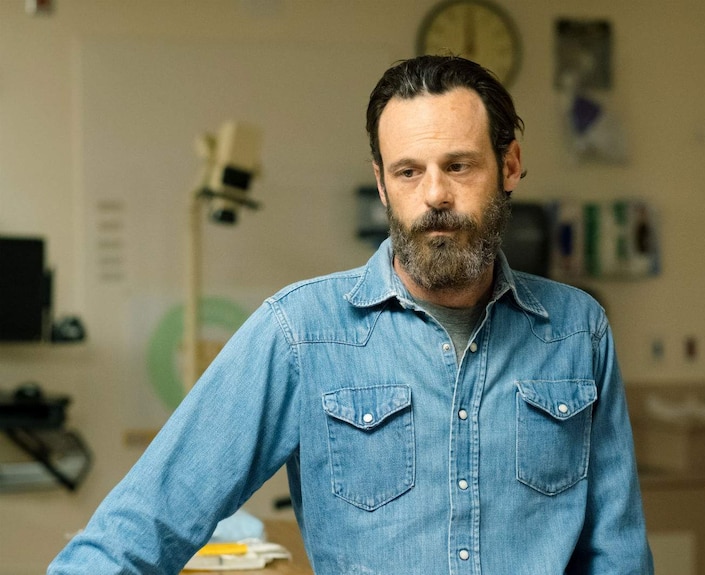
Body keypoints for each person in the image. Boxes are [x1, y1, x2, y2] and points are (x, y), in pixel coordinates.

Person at [49, 55, 653, 574]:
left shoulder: (579, 331)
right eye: (408, 171)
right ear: (383, 185)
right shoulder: (300, 334)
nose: (435, 194)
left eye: (460, 165)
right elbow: (142, 526)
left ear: (511, 164)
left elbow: (617, 556)